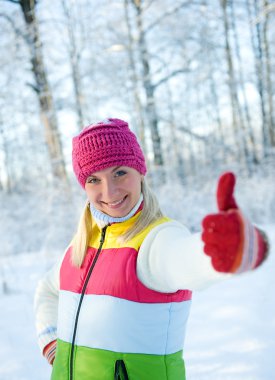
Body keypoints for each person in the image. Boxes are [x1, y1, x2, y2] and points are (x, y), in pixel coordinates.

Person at [34, 118, 269, 380]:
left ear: (140, 171)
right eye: (94, 179)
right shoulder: (80, 245)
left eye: (119, 172)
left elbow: (182, 260)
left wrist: (225, 250)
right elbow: (48, 290)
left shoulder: (157, 239)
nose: (109, 191)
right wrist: (56, 347)